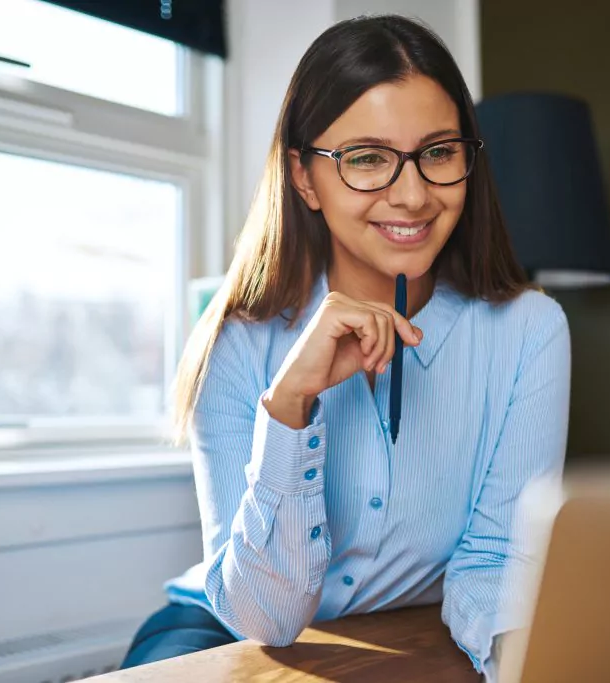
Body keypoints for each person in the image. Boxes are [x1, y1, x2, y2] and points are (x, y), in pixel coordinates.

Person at [120, 14, 570, 681]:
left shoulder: (529, 331)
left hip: (419, 629)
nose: (413, 194)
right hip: (223, 627)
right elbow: (264, 617)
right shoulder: (237, 339)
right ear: (304, 176)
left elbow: (497, 560)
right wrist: (289, 406)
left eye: (440, 153)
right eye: (367, 159)